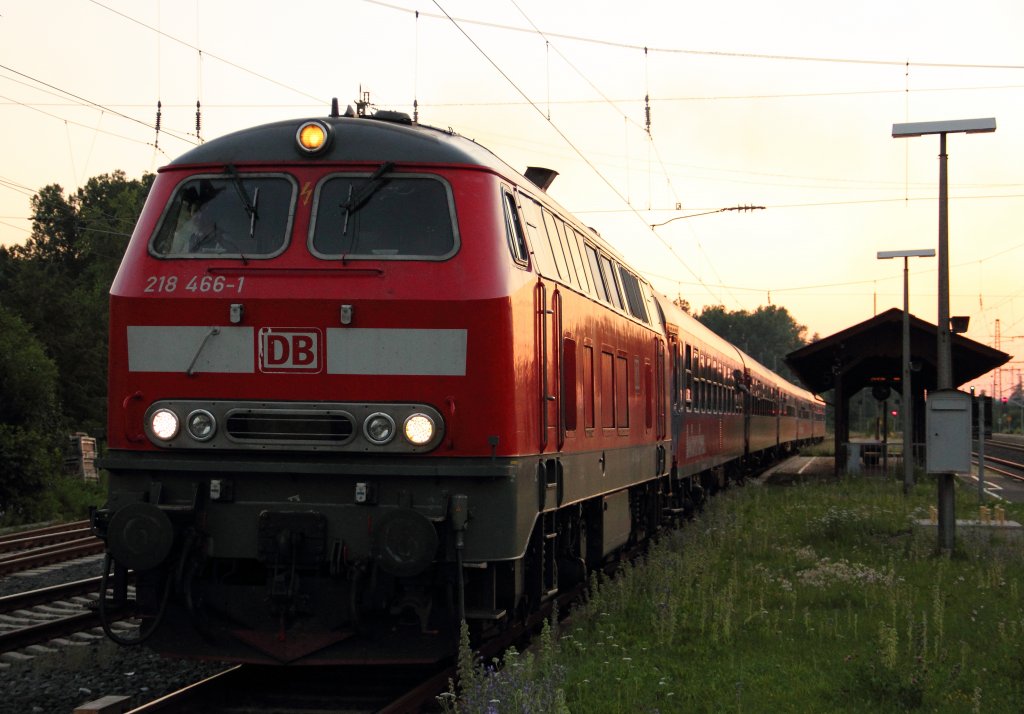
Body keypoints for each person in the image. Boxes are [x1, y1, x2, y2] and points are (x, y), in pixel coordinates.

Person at [170, 180, 224, 253]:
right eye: (195, 211)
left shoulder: (222, 239)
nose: (199, 216)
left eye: (203, 211)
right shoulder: (190, 238)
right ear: (191, 214)